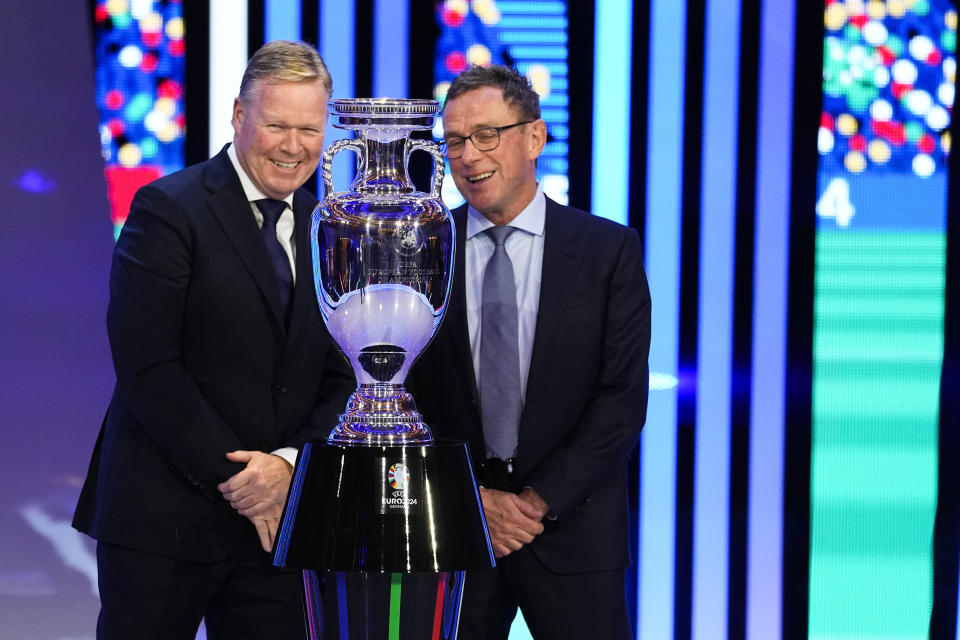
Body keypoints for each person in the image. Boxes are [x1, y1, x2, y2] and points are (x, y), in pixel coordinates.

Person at [72, 40, 354, 639]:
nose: (294, 145)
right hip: (165, 517)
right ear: (237, 114)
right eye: (277, 124)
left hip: (281, 523)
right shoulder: (168, 210)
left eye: (309, 128)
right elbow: (149, 365)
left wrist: (285, 466)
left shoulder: (328, 226)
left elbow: (343, 374)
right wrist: (245, 483)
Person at [409, 65, 651, 639]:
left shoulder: (606, 251)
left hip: (572, 535)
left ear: (535, 137)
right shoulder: (421, 248)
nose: (468, 156)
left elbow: (620, 401)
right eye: (455, 140)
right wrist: (474, 500)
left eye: (487, 135)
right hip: (454, 532)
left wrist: (535, 504)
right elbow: (404, 397)